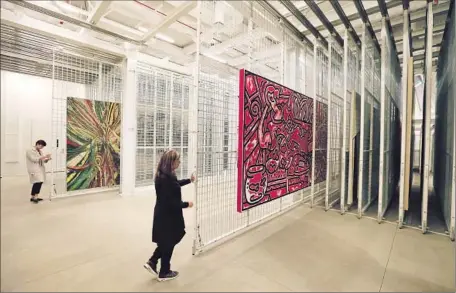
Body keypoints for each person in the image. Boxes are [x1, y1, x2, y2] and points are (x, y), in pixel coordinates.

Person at [144, 149, 195, 282]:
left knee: (165, 241)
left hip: (162, 214)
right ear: (171, 162)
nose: (179, 162)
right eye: (178, 160)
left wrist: (189, 180)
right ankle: (164, 272)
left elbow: (175, 185)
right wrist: (186, 204)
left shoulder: (163, 175)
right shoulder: (168, 178)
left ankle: (153, 261)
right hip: (169, 217)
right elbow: (173, 203)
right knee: (169, 242)